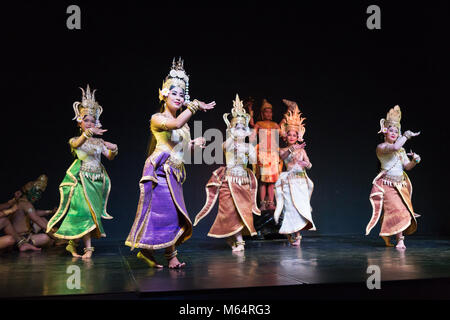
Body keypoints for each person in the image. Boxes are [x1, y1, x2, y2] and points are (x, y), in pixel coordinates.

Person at [125, 58, 215, 268]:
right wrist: (193, 106)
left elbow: (181, 149)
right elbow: (175, 123)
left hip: (174, 173)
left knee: (170, 214)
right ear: (164, 95)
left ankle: (149, 251)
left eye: (182, 94)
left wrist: (194, 144)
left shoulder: (184, 128)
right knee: (168, 213)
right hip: (160, 171)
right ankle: (168, 256)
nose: (178, 97)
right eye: (174, 93)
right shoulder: (157, 118)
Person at [46, 85, 118, 259]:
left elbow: (109, 156)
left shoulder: (99, 142)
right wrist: (88, 134)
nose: (90, 124)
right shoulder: (75, 140)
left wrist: (114, 148)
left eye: (93, 121)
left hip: (97, 182)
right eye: (87, 121)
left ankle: (71, 244)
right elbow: (77, 145)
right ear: (79, 121)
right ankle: (88, 249)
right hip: (81, 181)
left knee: (90, 215)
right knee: (86, 213)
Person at [194, 94, 261, 252]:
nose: (239, 130)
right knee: (229, 212)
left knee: (241, 212)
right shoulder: (228, 143)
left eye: (242, 127)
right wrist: (232, 134)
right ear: (231, 129)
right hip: (229, 180)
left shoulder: (248, 147)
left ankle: (234, 238)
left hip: (242, 181)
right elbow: (225, 146)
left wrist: (246, 149)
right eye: (236, 127)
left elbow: (254, 160)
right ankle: (239, 241)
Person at [366, 105, 421, 249]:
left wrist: (415, 160)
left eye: (397, 131)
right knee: (397, 210)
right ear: (385, 131)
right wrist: (406, 136)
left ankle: (400, 239)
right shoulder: (382, 147)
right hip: (387, 185)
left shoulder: (401, 150)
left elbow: (407, 167)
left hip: (401, 185)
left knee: (402, 211)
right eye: (391, 130)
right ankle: (400, 239)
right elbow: (395, 147)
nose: (394, 133)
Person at [274, 103, 316, 246]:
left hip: (301, 182)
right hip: (289, 182)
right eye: (290, 134)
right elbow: (283, 156)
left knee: (300, 208)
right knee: (290, 208)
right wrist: (292, 149)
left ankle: (297, 235)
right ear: (286, 136)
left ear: (298, 136)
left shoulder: (302, 151)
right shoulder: (283, 149)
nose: (292, 137)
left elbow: (309, 164)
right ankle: (289, 233)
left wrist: (306, 165)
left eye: (294, 135)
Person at [251, 99, 281, 211]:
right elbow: (253, 135)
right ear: (262, 114)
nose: (268, 114)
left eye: (270, 112)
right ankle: (263, 203)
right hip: (263, 154)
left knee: (272, 181)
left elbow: (283, 134)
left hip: (273, 155)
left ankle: (271, 202)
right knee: (263, 181)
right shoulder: (259, 124)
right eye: (266, 112)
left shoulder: (275, 125)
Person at [11, 176, 56, 248]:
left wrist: (50, 211)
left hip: (24, 234)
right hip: (20, 237)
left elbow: (35, 213)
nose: (38, 196)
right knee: (45, 238)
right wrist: (55, 235)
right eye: (37, 192)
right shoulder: (26, 205)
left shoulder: (21, 202)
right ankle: (24, 245)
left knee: (43, 220)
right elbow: (37, 220)